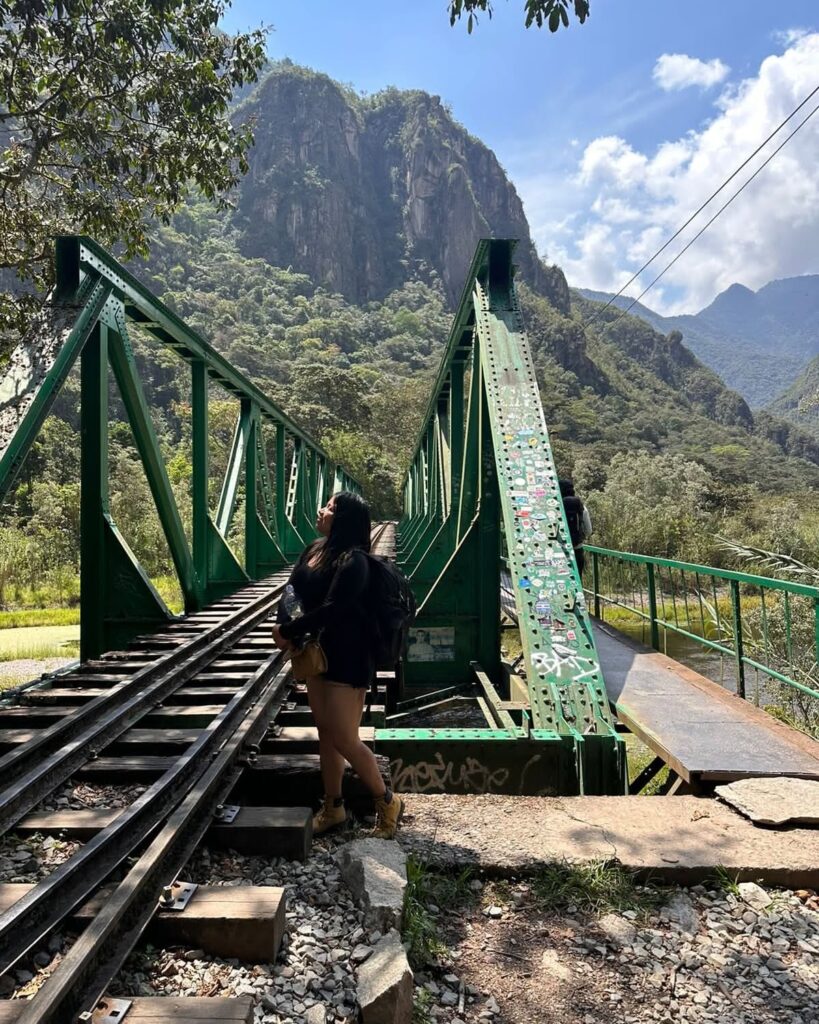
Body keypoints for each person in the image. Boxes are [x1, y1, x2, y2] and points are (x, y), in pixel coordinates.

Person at [272, 491, 404, 839]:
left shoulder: (354, 561)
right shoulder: (314, 550)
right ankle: (333, 807)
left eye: (330, 507)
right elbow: (292, 590)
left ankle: (387, 802)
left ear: (343, 518)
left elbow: (333, 609)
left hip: (348, 657)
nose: (322, 510)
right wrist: (283, 620)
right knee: (327, 734)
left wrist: (289, 631)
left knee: (345, 738)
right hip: (318, 654)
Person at [559, 479, 592, 576]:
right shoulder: (581, 507)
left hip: (559, 551)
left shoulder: (556, 506)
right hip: (577, 550)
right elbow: (589, 531)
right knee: (576, 580)